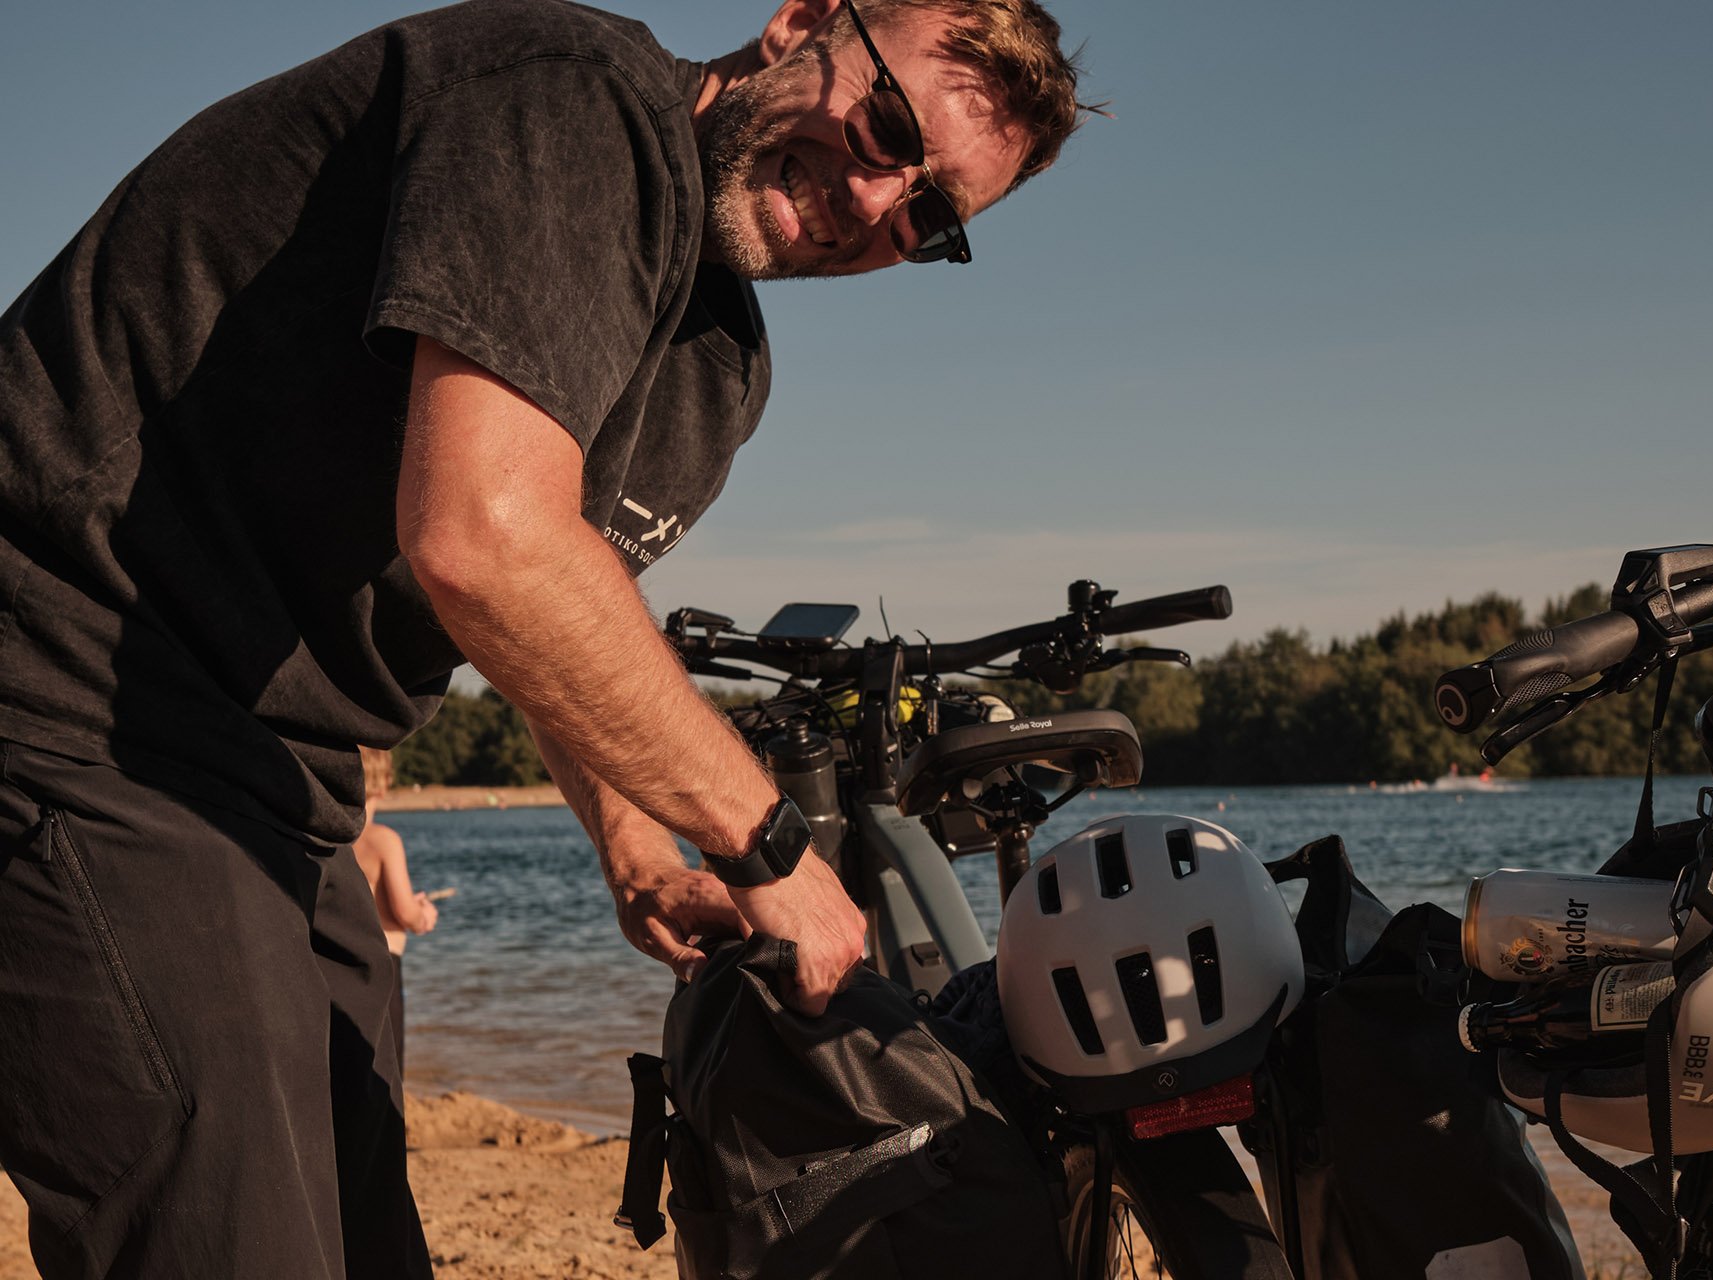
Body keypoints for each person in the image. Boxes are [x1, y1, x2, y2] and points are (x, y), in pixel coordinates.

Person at [0, 0, 1089, 1275]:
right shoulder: (574, 105)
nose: (876, 194)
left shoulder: (715, 365)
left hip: (278, 786)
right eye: (887, 122)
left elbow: (560, 623)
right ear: (801, 25)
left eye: (932, 212)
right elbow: (487, 541)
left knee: (363, 1244)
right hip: (70, 680)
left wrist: (634, 852)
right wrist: (771, 844)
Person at [351, 748, 438, 1076]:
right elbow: (404, 912)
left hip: (341, 962)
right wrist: (422, 915)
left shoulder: (335, 842)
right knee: (387, 1063)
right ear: (384, 784)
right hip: (384, 964)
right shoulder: (383, 840)